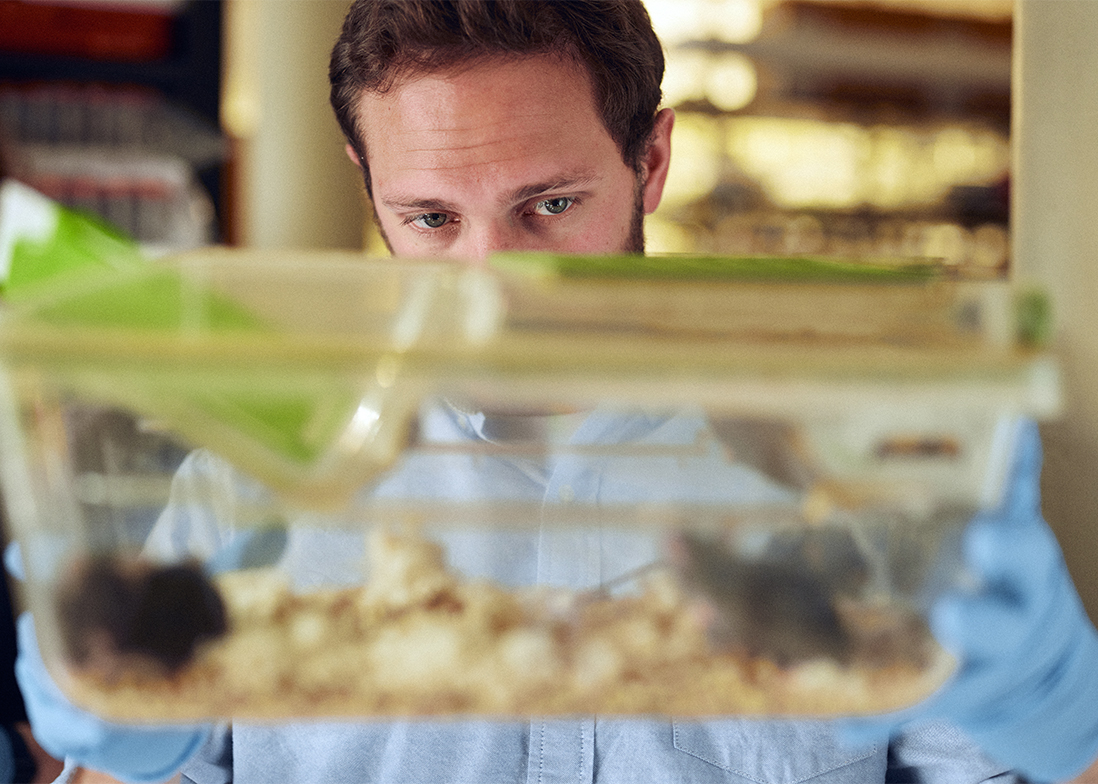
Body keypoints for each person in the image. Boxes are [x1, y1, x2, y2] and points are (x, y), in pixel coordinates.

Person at [13, 1, 1098, 782]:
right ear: (367, 185)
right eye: (431, 219)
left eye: (548, 206)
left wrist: (1064, 729)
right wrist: (124, 747)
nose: (490, 289)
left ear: (653, 162)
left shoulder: (855, 471)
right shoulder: (244, 491)